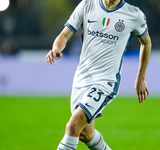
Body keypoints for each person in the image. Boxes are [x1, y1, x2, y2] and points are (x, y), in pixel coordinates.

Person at [45, 0, 151, 149]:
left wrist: (141, 77)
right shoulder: (86, 5)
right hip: (81, 79)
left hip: (105, 82)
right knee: (86, 134)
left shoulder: (134, 14)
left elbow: (146, 42)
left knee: (73, 126)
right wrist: (56, 48)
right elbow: (64, 34)